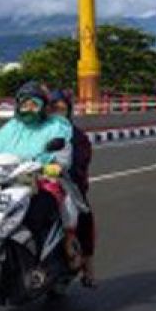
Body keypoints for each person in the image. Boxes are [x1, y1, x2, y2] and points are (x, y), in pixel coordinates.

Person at [0, 81, 79, 266]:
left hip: (41, 179)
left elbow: (63, 154)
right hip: (9, 180)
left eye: (34, 104)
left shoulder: (57, 127)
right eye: (24, 103)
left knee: (53, 203)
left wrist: (55, 165)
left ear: (43, 107)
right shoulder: (10, 129)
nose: (28, 108)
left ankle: (68, 240)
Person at [49, 88, 97, 287]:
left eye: (61, 109)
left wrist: (60, 170)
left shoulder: (76, 136)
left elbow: (79, 163)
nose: (56, 113)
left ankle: (88, 266)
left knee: (84, 215)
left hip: (66, 182)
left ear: (68, 111)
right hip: (32, 180)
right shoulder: (35, 131)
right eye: (52, 109)